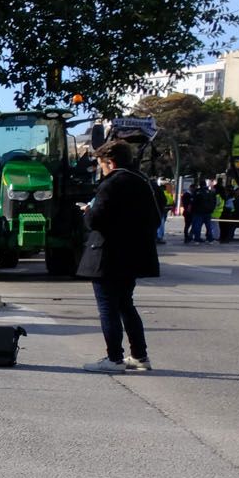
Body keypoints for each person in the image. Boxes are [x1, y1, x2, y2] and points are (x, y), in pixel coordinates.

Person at [77, 139, 161, 373]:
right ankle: (139, 355)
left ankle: (114, 358)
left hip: (107, 254)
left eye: (101, 165)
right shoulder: (143, 182)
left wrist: (87, 211)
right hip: (133, 255)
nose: (101, 170)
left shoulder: (112, 184)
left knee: (108, 307)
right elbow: (156, 219)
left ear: (110, 163)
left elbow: (96, 220)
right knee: (126, 304)